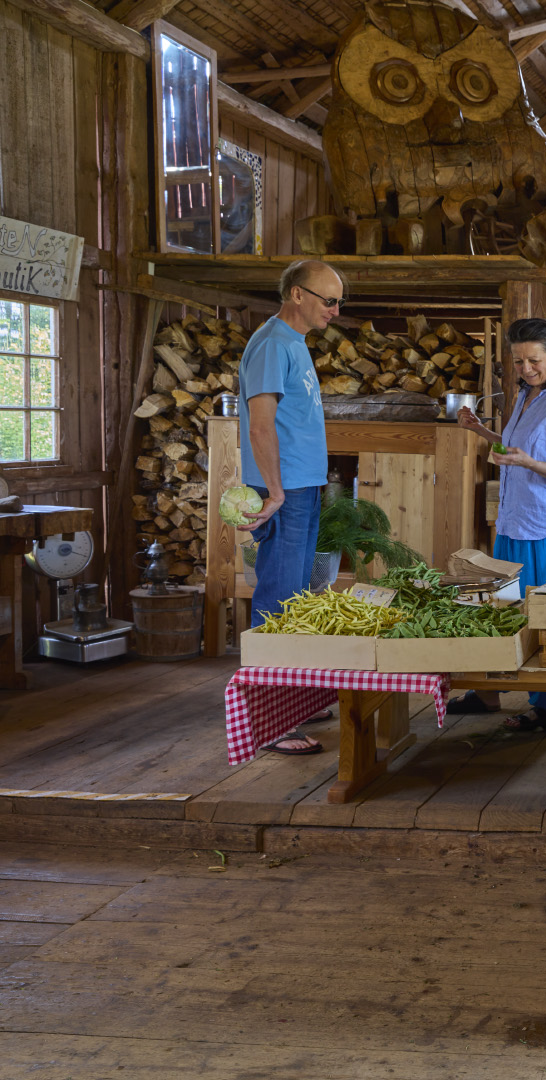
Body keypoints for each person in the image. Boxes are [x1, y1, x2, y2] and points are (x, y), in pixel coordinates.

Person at [451, 318, 546, 732]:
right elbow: (515, 449)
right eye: (518, 361)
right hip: (515, 520)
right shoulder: (530, 394)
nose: (526, 368)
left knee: (545, 618)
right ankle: (489, 691)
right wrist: (481, 431)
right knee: (505, 609)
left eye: (534, 360)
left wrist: (526, 462)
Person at [235, 259, 345, 755]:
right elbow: (261, 426)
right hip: (285, 491)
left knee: (298, 595)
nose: (335, 311)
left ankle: (291, 698)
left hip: (301, 487)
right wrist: (276, 492)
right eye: (329, 300)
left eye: (338, 301)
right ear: (297, 294)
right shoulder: (273, 344)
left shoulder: (293, 343)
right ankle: (270, 717)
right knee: (277, 595)